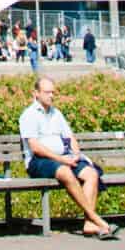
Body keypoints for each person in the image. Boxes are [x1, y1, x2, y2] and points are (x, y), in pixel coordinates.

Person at [20, 75, 116, 241]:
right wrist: (62, 159)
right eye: (47, 92)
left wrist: (76, 155)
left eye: (53, 92)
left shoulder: (57, 113)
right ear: (36, 93)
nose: (51, 96)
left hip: (64, 157)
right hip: (39, 161)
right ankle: (97, 219)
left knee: (91, 174)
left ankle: (89, 224)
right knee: (65, 172)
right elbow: (35, 147)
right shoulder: (28, 115)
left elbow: (70, 137)